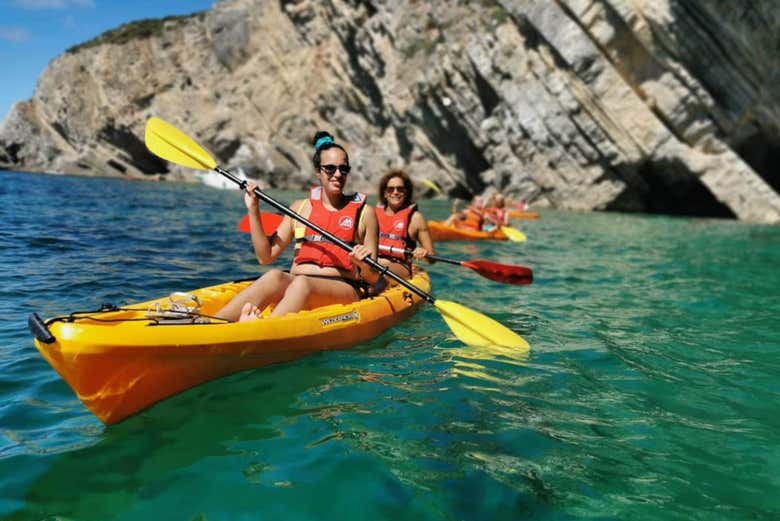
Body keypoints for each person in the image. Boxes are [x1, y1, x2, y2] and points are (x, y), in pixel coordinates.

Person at [215, 131, 379, 322]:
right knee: (274, 276)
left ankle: (261, 329)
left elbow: (374, 278)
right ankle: (212, 323)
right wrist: (253, 210)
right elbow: (265, 256)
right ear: (318, 171)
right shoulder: (299, 208)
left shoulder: (365, 213)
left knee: (303, 284)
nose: (337, 174)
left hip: (343, 287)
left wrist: (362, 264)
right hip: (298, 281)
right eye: (330, 168)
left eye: (343, 169)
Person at [375, 169, 435, 280]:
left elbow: (432, 259)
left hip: (401, 267)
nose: (395, 192)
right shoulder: (373, 215)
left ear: (406, 193)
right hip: (373, 262)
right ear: (384, 193)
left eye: (400, 189)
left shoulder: (416, 218)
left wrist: (424, 252)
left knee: (373, 263)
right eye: (390, 189)